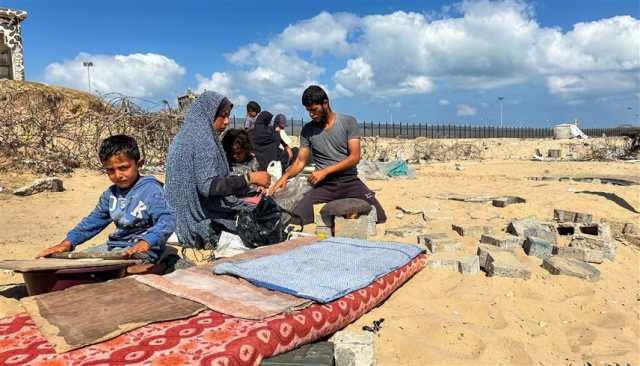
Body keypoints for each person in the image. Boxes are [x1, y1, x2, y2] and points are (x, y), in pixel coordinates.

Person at [36, 135, 175, 264]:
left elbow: (167, 220)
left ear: (139, 163)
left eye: (123, 168)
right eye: (110, 170)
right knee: (71, 263)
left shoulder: (152, 190)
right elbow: (93, 221)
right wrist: (67, 243)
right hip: (116, 247)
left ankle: (163, 264)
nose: (118, 175)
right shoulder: (110, 194)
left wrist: (146, 242)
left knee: (125, 272)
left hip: (145, 250)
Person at [165, 91, 270, 249]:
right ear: (209, 112)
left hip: (175, 216)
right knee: (258, 223)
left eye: (229, 116)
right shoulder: (202, 139)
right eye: (223, 115)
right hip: (192, 221)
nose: (227, 122)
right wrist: (250, 178)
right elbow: (208, 186)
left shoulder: (187, 134)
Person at [270, 85, 387, 225]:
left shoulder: (348, 122)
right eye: (308, 111)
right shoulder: (308, 130)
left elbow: (355, 157)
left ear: (325, 103)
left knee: (379, 217)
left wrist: (325, 171)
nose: (311, 114)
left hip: (349, 181)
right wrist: (284, 177)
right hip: (325, 185)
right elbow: (300, 161)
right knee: (298, 218)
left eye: (314, 110)